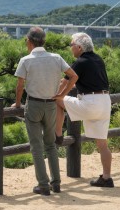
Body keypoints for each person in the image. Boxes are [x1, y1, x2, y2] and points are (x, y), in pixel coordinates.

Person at [11, 27, 78, 196]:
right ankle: (56, 183)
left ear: (30, 41)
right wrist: (61, 94)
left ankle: (43, 185)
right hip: (51, 105)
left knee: (36, 146)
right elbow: (74, 76)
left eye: (27, 40)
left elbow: (20, 86)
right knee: (50, 144)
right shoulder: (56, 58)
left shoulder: (26, 60)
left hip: (33, 105)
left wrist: (18, 104)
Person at [54, 32, 113, 187]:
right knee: (102, 144)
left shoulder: (80, 62)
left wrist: (56, 94)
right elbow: (88, 80)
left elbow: (65, 82)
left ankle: (58, 134)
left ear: (79, 47)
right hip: (105, 102)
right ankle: (107, 178)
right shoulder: (98, 59)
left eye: (72, 45)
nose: (71, 48)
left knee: (57, 101)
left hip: (89, 103)